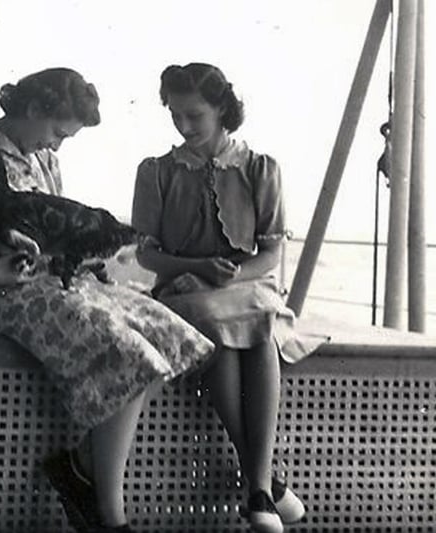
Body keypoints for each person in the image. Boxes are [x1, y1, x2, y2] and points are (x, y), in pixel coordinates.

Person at [0, 68, 214, 533]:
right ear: (33, 109)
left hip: (54, 279)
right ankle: (108, 515)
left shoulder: (44, 162)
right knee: (128, 351)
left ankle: (79, 466)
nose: (57, 147)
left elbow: (52, 231)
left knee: (170, 332)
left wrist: (86, 264)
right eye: (57, 133)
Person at [131, 63, 318, 533]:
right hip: (184, 291)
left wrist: (229, 278)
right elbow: (149, 257)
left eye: (195, 115)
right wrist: (195, 269)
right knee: (220, 323)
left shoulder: (259, 168)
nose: (184, 126)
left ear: (222, 110)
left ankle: (258, 489)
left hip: (243, 289)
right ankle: (263, 484)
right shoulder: (157, 172)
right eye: (175, 116)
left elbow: (270, 254)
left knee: (259, 329)